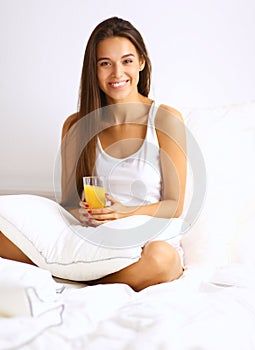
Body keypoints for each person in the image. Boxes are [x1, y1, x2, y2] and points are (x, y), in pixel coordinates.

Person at [0, 17, 187, 291]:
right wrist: (87, 213)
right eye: (105, 63)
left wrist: (124, 212)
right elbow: (69, 204)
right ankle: (90, 273)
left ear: (142, 63)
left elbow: (175, 205)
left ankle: (82, 278)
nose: (117, 73)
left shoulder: (166, 120)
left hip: (146, 237)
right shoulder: (76, 126)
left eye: (127, 61)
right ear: (94, 69)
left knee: (162, 259)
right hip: (96, 239)